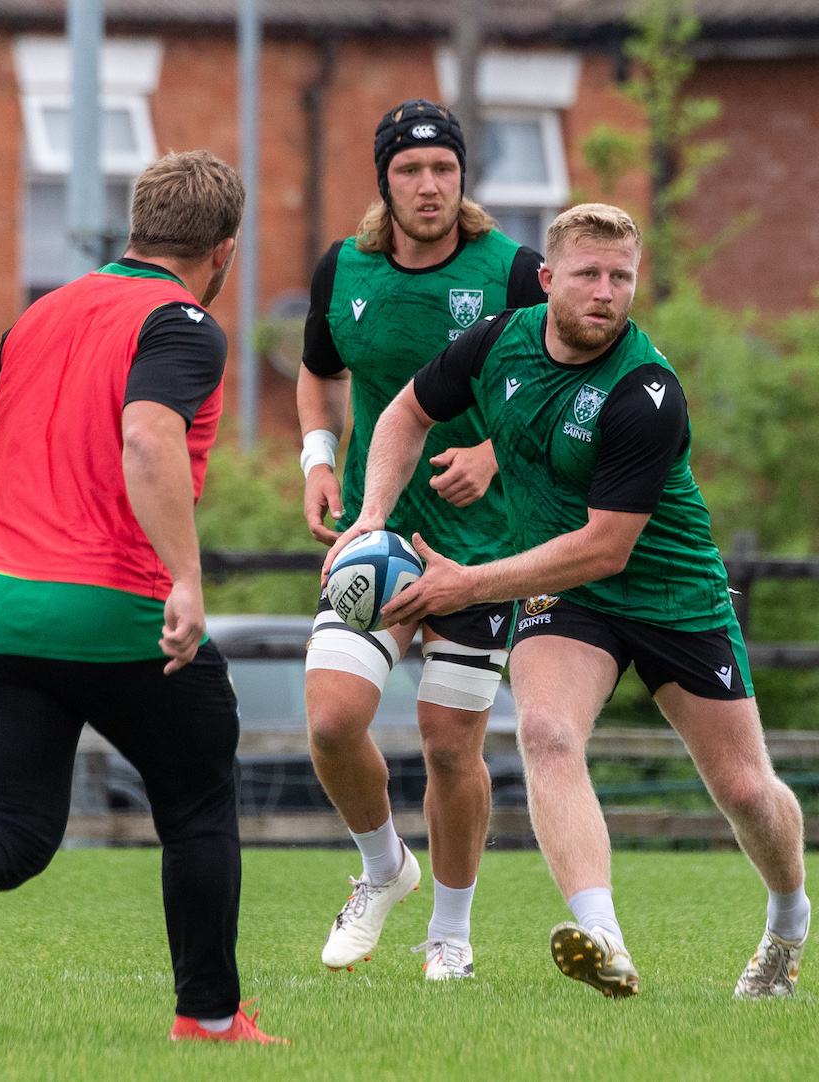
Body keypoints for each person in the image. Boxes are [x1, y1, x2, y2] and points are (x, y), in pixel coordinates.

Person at [0, 150, 284, 1043]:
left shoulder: (39, 314)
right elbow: (147, 440)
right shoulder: (182, 322)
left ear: (136, 225)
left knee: (15, 829)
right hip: (113, 603)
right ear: (224, 249)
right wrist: (187, 579)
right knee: (197, 803)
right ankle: (208, 1018)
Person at [325, 203, 810, 1000]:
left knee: (746, 790)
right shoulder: (497, 342)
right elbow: (405, 411)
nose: (606, 292)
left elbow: (605, 547)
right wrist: (371, 514)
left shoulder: (646, 391)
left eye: (622, 276)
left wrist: (467, 583)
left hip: (671, 592)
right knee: (546, 733)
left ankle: (788, 921)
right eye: (588, 274)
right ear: (548, 279)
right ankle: (604, 939)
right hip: (567, 595)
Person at [297, 99, 548, 980]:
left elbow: (559, 385)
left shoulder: (514, 272)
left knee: (449, 745)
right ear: (385, 182)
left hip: (482, 551)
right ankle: (382, 869)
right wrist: (318, 459)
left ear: (463, 178)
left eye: (444, 168)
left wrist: (492, 452)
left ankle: (450, 933)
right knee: (332, 723)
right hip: (377, 537)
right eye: (410, 169)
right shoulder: (343, 270)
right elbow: (318, 369)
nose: (429, 184)